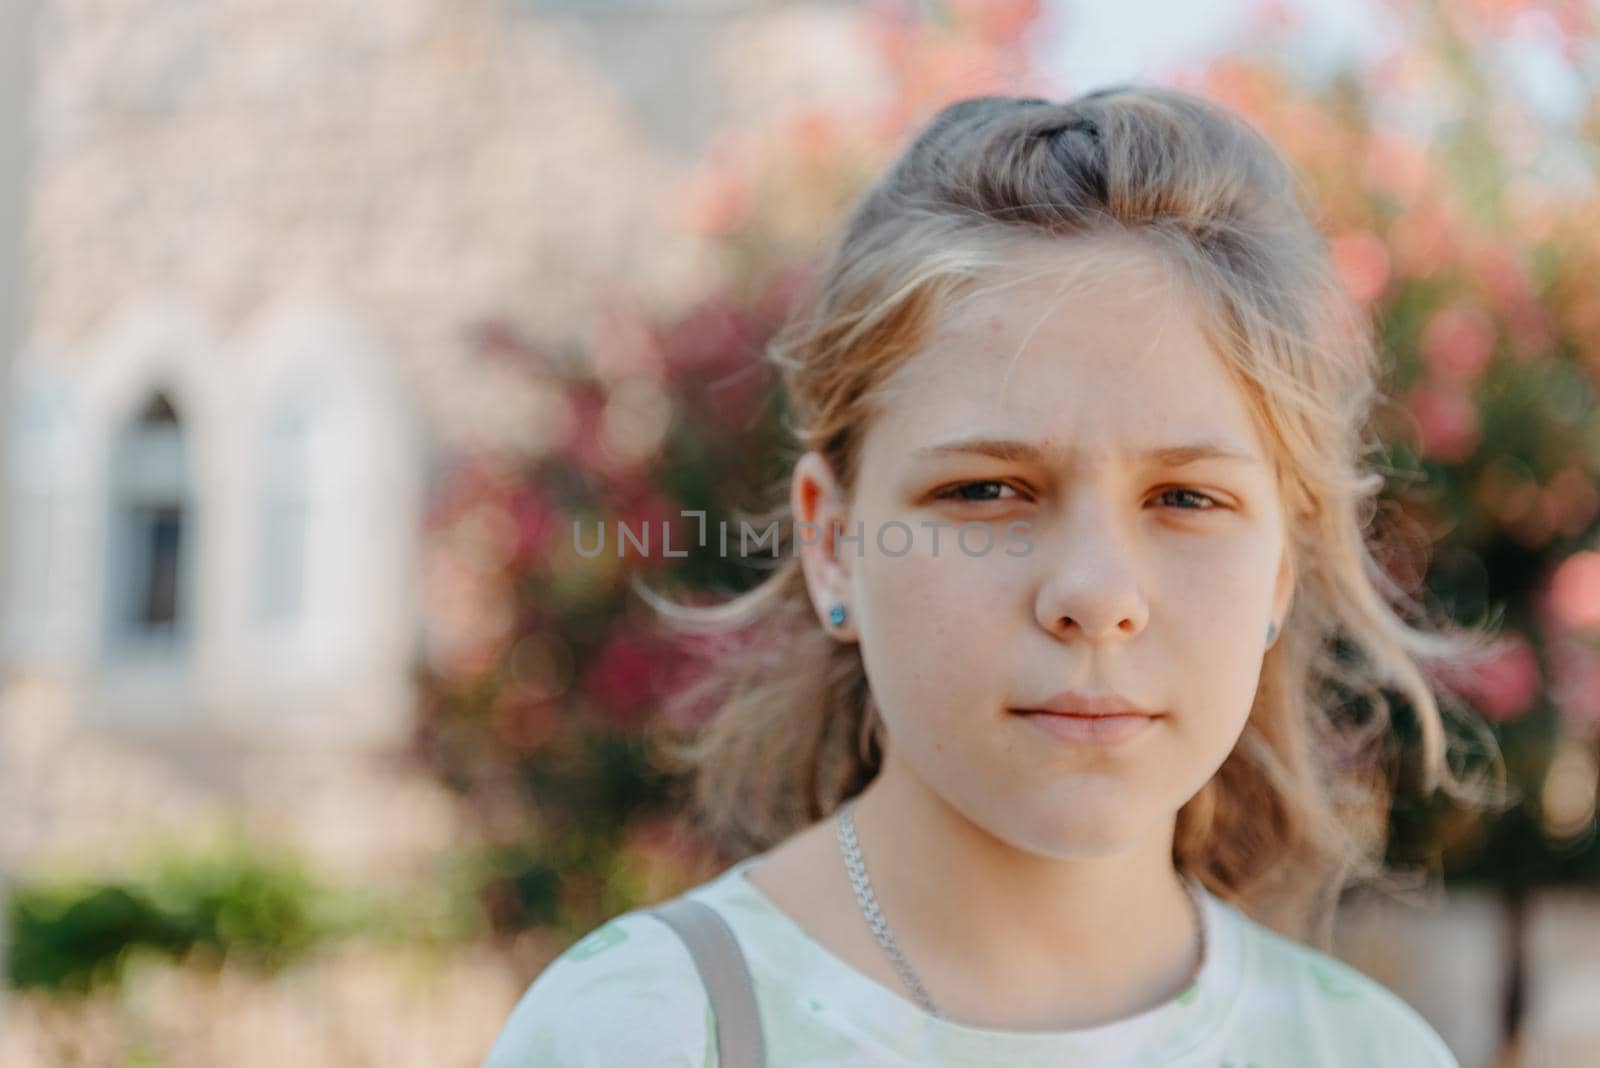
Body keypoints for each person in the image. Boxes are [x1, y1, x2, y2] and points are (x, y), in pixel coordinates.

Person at [482, 85, 1507, 1067]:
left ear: (1281, 567)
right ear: (832, 542)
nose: (1097, 597)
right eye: (985, 492)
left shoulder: (1366, 1053)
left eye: (1186, 499)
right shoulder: (644, 1034)